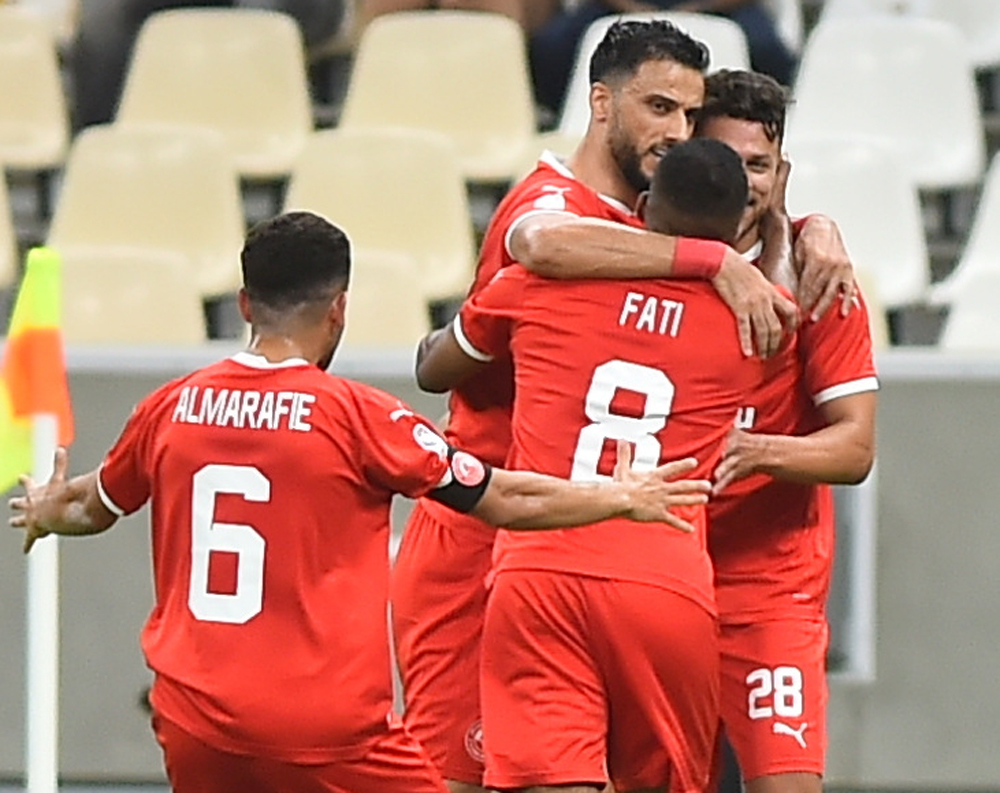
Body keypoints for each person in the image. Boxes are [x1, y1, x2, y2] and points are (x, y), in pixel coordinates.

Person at [8, 211, 714, 793]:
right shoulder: (355, 415)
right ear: (339, 308)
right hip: (327, 732)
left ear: (246, 303)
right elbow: (504, 498)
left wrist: (42, 507)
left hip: (195, 724)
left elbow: (90, 506)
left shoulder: (171, 406)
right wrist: (616, 495)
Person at [390, 19, 849, 793]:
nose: (675, 132)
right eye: (658, 108)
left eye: (686, 115)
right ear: (600, 103)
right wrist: (715, 261)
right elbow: (540, 243)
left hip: (575, 543)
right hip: (484, 533)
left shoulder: (639, 225)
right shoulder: (553, 207)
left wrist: (805, 224)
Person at [416, 137, 767, 793]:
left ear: (640, 208)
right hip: (666, 581)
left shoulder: (536, 286)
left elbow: (435, 367)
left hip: (540, 571)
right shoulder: (754, 320)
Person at [695, 69, 879, 793]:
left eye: (759, 164)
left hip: (770, 596)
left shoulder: (820, 278)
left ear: (783, 173)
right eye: (723, 161)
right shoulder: (637, 264)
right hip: (659, 584)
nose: (742, 183)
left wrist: (757, 451)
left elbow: (855, 446)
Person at [529, 0, 797, 117]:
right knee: (551, 47)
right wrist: (636, 10)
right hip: (624, 3)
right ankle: (560, 117)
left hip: (715, 4)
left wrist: (695, 9)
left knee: (768, 51)